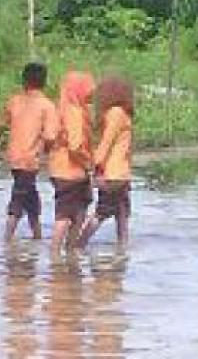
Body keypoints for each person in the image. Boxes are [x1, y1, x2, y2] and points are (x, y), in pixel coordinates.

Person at [0, 62, 58, 242]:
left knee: (29, 197)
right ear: (44, 82)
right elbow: (50, 136)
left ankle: (37, 236)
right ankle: (7, 239)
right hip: (30, 160)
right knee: (19, 198)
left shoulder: (14, 102)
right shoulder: (47, 106)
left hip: (14, 158)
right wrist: (46, 155)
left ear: (24, 81)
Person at [76, 77, 134, 250]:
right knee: (104, 212)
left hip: (118, 173)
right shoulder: (118, 113)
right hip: (115, 174)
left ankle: (122, 250)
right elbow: (106, 143)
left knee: (122, 212)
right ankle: (78, 245)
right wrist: (95, 166)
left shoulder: (114, 113)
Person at [48, 71, 95, 257]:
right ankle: (58, 253)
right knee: (66, 215)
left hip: (59, 169)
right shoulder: (74, 112)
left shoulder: (60, 109)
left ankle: (69, 252)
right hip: (72, 170)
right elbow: (75, 146)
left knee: (76, 211)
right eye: (87, 92)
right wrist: (88, 163)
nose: (90, 96)